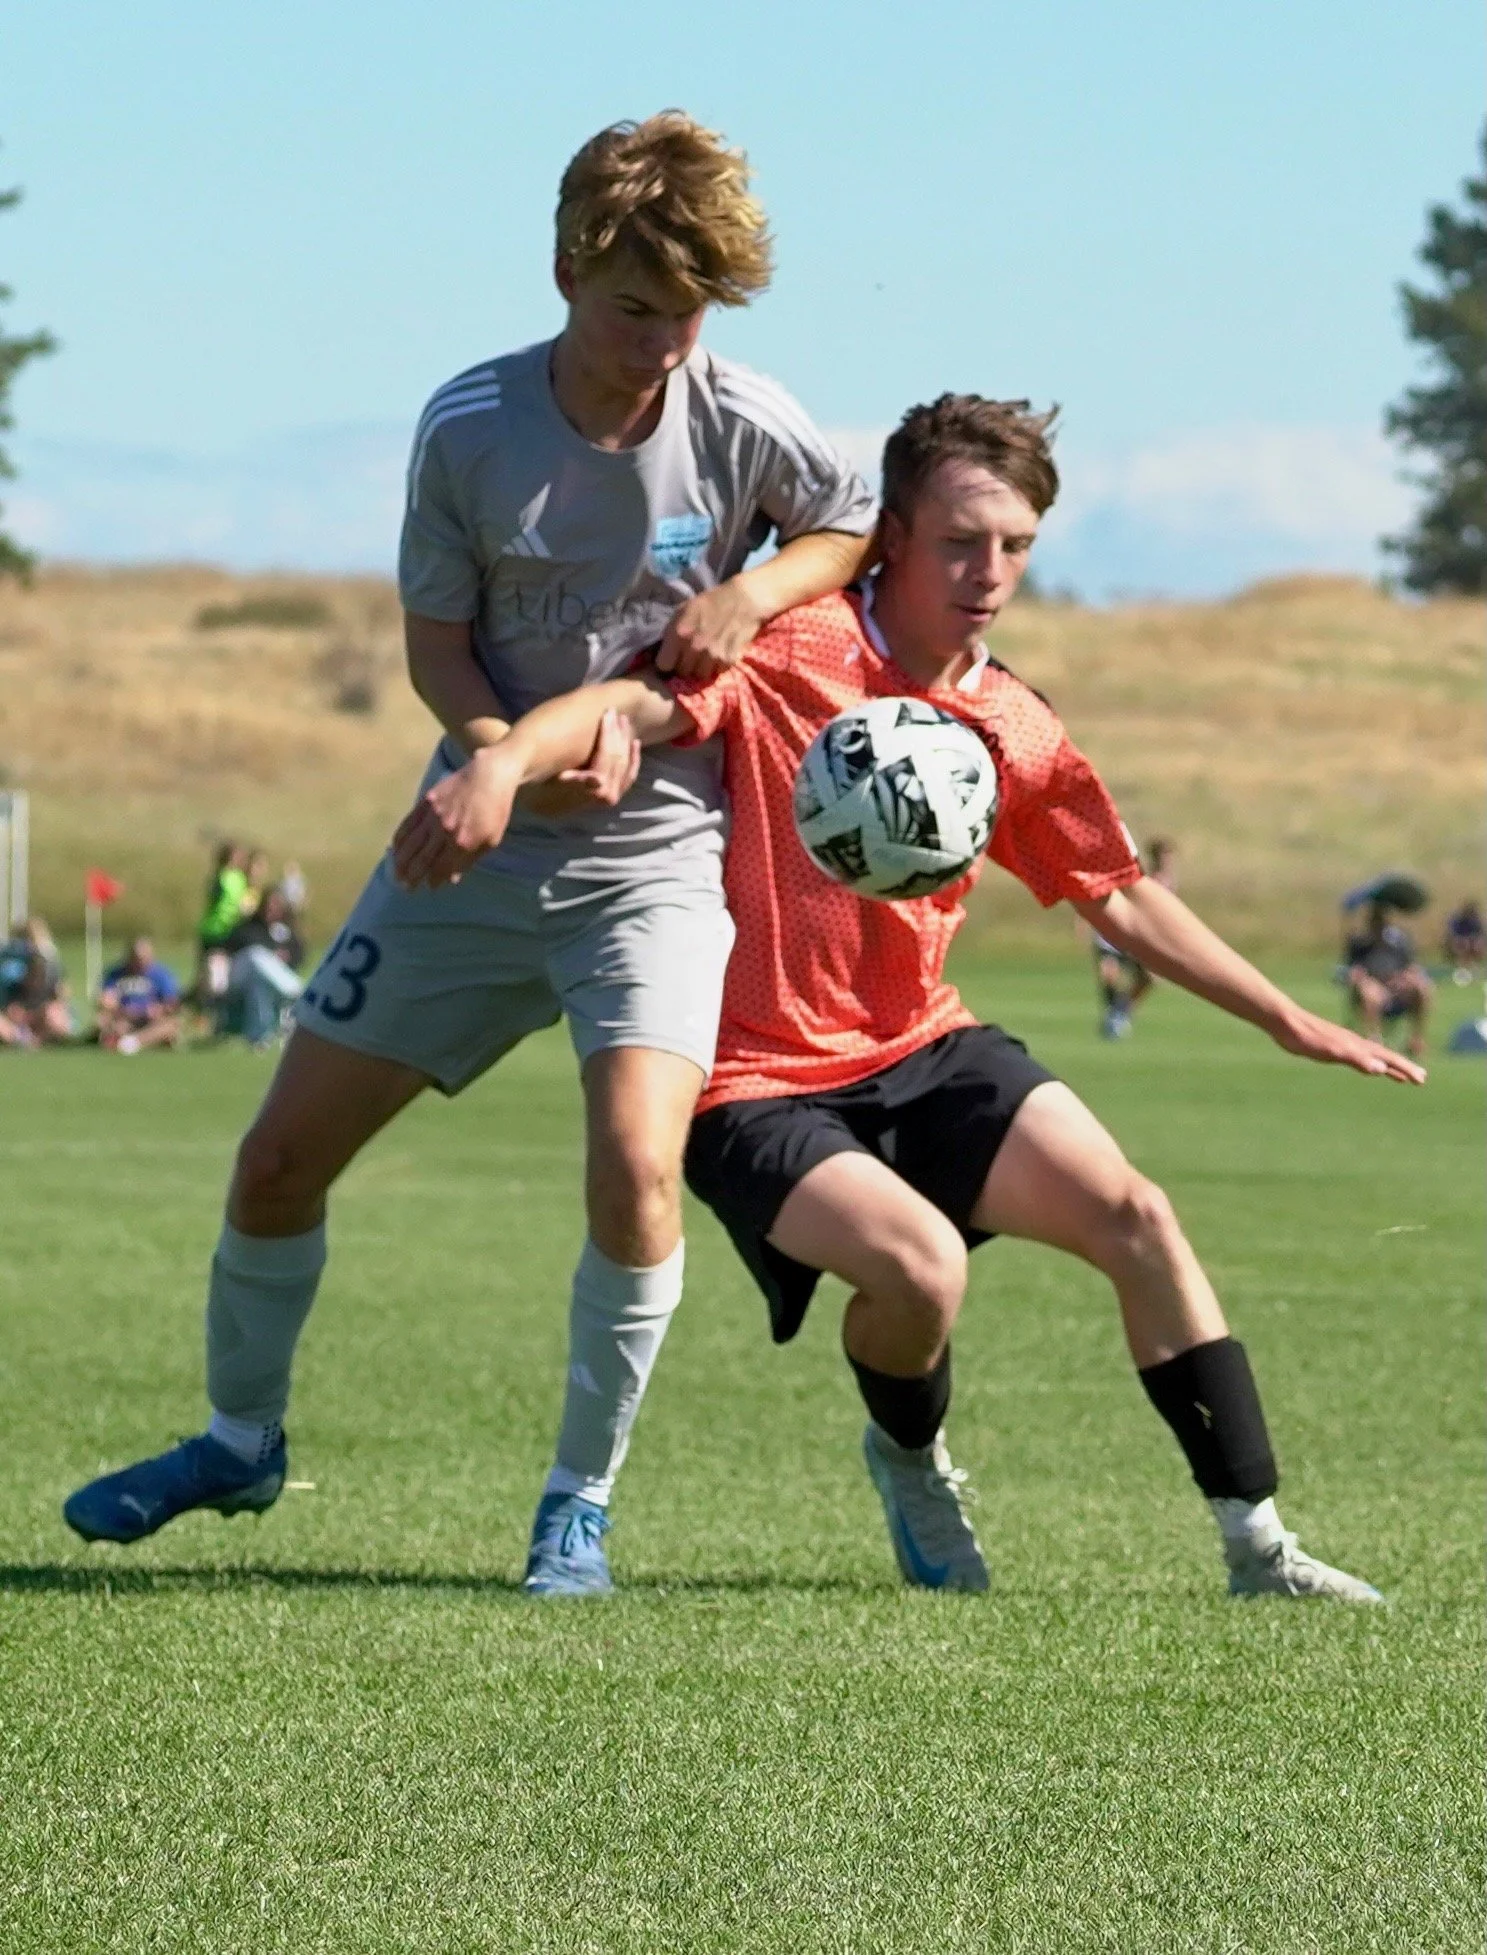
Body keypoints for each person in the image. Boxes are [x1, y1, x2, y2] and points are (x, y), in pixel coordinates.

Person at [415, 394, 1424, 1602]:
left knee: (1138, 1216)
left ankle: (1259, 1548)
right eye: (958, 542)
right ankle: (908, 1457)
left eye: (1013, 547)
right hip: (750, 1076)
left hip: (921, 1044)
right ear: (885, 533)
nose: (987, 573)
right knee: (923, 1270)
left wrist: (1285, 1016)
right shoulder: (789, 650)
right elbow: (629, 703)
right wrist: (505, 760)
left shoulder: (1010, 720)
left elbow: (1115, 894)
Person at [63, 112, 876, 1593]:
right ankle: (240, 1438)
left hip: (653, 864)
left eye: (686, 316)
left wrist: (753, 600)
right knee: (275, 1159)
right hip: (477, 845)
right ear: (567, 271)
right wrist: (504, 760)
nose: (658, 346)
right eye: (634, 310)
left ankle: (579, 1501)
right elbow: (436, 649)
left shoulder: (740, 407)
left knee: (636, 1165)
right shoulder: (469, 428)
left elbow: (845, 522)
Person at [1092, 837, 1176, 1038]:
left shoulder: (1169, 882)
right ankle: (1116, 1013)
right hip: (1123, 931)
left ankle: (1121, 1012)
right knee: (1109, 972)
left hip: (1144, 936)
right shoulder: (1142, 876)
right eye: (1165, 857)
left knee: (1149, 978)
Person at [1344, 903, 1432, 1060]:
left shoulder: (1399, 942)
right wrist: (1362, 978)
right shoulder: (1359, 943)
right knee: (1370, 992)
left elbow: (1411, 967)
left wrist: (1404, 979)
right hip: (1373, 985)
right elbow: (1354, 970)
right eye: (1375, 921)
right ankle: (1374, 1039)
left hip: (1398, 988)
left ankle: (1416, 1039)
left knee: (1423, 988)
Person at [222, 889, 306, 1049]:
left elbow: (299, 953)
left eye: (276, 906)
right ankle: (297, 991)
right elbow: (236, 944)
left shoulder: (286, 931)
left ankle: (258, 1036)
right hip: (238, 974)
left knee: (259, 983)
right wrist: (273, 955)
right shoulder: (249, 926)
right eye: (268, 905)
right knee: (256, 954)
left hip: (262, 979)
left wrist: (286, 956)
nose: (271, 909)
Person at [96, 937, 184, 1054]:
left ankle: (133, 1041)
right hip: (124, 1017)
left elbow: (171, 1003)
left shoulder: (162, 975)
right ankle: (142, 1040)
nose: (139, 962)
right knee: (103, 1022)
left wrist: (158, 1009)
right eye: (136, 958)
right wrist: (119, 1010)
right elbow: (105, 1000)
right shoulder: (115, 974)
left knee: (171, 1025)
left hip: (151, 1020)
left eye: (143, 958)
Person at [195, 842, 249, 1003]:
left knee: (224, 970)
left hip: (231, 929)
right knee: (208, 970)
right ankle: (202, 1003)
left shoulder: (240, 877)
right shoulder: (220, 877)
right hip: (214, 929)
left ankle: (217, 1002)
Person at [1442, 898, 1484, 982]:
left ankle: (1474, 967)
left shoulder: (1475, 919)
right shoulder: (1457, 918)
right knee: (1464, 945)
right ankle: (1462, 970)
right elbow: (1452, 933)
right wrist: (1462, 939)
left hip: (1472, 940)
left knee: (1477, 944)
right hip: (1458, 940)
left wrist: (1476, 940)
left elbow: (1479, 932)